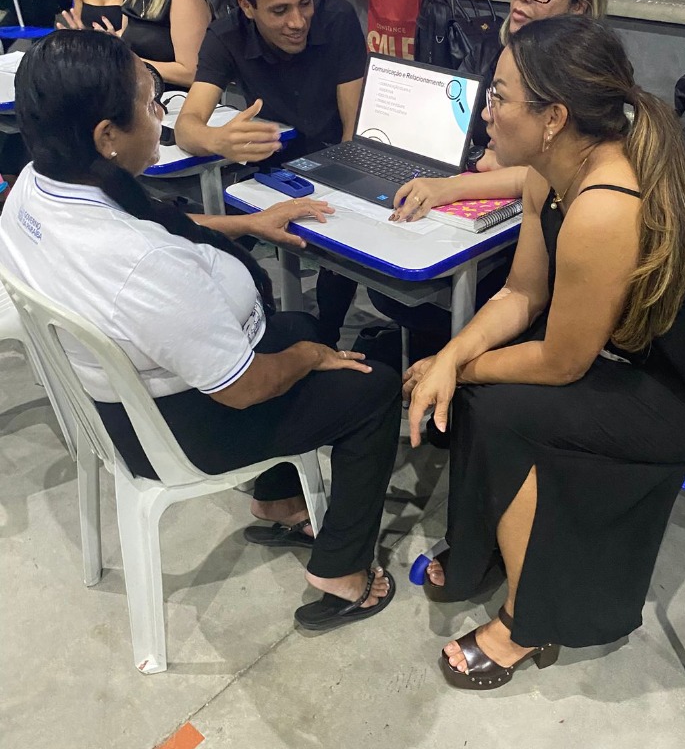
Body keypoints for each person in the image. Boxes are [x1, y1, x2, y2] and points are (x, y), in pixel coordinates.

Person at [404, 15, 685, 690]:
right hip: (653, 357)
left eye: (498, 96)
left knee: (498, 409)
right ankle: (497, 548)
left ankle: (529, 621)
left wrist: (456, 368)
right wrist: (452, 357)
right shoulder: (551, 171)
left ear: (553, 117)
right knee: (479, 388)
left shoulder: (605, 204)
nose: (484, 109)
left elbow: (563, 364)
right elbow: (521, 294)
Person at [0, 31, 400, 630]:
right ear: (107, 137)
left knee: (296, 323)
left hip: (113, 404)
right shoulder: (138, 265)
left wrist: (250, 225)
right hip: (182, 428)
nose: (160, 117)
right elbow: (242, 387)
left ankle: (279, 500)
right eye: (148, 105)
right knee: (373, 386)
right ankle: (342, 572)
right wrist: (310, 358)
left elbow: (163, 222)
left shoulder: (37, 186)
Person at [369, 0, 609, 356]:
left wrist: (460, 185)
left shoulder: (587, 82)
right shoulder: (504, 48)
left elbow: (545, 175)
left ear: (579, 5)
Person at [174, 0, 368, 344]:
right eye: (279, 10)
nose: (297, 22)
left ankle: (325, 339)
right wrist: (218, 141)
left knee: (339, 253)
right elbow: (187, 126)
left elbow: (353, 131)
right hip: (270, 173)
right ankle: (251, 335)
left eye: (305, 3)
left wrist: (347, 188)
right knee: (215, 249)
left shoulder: (337, 19)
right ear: (247, 6)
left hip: (336, 161)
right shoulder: (226, 36)